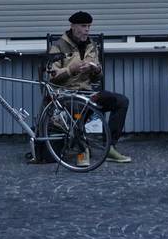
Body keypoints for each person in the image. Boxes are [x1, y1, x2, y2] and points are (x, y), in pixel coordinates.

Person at [49, 11, 131, 163]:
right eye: (83, 26)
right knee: (79, 109)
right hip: (67, 95)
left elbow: (98, 76)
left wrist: (96, 70)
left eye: (89, 26)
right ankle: (82, 151)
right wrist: (70, 70)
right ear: (73, 26)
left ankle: (109, 147)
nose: (87, 29)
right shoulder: (58, 46)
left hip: (88, 93)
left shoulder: (92, 46)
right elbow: (51, 77)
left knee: (121, 101)